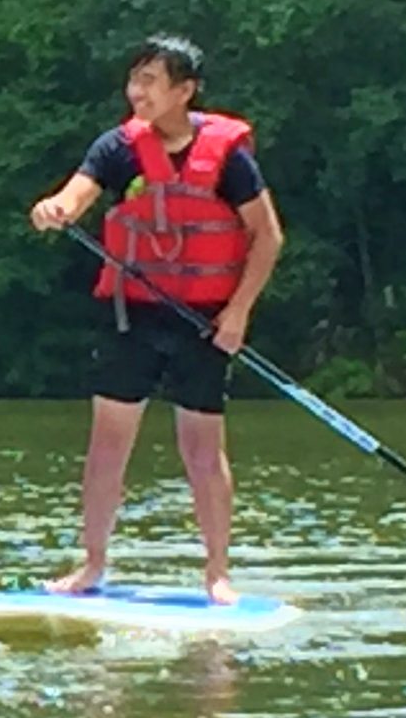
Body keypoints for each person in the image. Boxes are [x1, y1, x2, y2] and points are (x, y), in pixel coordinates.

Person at [27, 35, 285, 604]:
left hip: (205, 319)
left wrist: (238, 314)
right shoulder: (118, 149)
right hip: (131, 313)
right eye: (134, 79)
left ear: (184, 91)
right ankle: (92, 564)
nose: (136, 92)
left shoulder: (230, 160)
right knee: (108, 443)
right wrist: (55, 210)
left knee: (201, 444)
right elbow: (75, 196)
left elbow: (267, 236)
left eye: (151, 81)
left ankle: (217, 572)